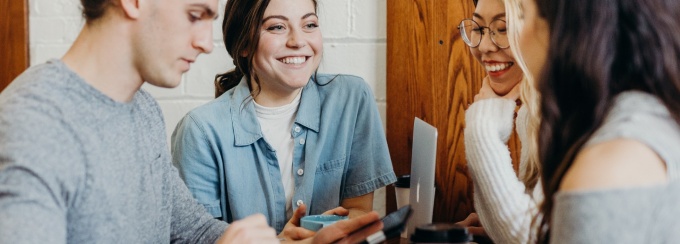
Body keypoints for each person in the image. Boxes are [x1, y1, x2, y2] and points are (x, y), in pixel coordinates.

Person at [0, 0, 384, 243]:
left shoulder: (142, 111)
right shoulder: (33, 124)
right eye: (194, 14)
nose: (205, 43)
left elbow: (193, 232)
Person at [171, 0, 396, 235]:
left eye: (309, 24)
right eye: (277, 27)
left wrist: (327, 232)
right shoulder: (199, 131)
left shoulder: (351, 99)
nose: (298, 41)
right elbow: (197, 236)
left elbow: (358, 210)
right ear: (244, 44)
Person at [515, 0, 680, 242]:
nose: (518, 38)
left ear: (565, 27)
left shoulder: (606, 169)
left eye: (523, 14)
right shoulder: (657, 117)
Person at [455, 0, 542, 243]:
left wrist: (483, 131)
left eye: (503, 28)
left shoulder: (575, 108)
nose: (483, 46)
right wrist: (495, 228)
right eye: (479, 28)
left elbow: (531, 239)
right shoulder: (532, 112)